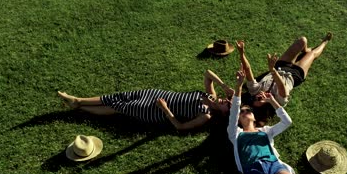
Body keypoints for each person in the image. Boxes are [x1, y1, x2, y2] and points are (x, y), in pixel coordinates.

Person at [227, 69, 313, 174]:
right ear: (238, 120)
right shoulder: (235, 134)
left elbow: (287, 122)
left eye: (248, 110)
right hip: (254, 172)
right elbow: (234, 110)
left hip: (275, 166)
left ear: (254, 117)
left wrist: (272, 101)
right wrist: (238, 87)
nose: (244, 112)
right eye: (242, 112)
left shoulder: (266, 131)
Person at [57, 70, 233, 131]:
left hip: (153, 109)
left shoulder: (206, 115)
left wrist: (165, 109)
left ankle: (79, 107)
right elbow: (208, 73)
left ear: (225, 114)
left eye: (229, 106)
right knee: (117, 97)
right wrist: (225, 86)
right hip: (153, 93)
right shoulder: (212, 96)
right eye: (229, 101)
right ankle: (78, 100)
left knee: (118, 107)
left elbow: (180, 127)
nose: (226, 101)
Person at [236, 32, 333, 107]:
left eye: (256, 99)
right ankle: (325, 42)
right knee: (312, 54)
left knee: (302, 40)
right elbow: (281, 86)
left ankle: (305, 49)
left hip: (280, 67)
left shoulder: (254, 90)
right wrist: (272, 70)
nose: (259, 96)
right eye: (260, 100)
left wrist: (241, 54)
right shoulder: (279, 101)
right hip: (295, 74)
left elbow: (248, 70)